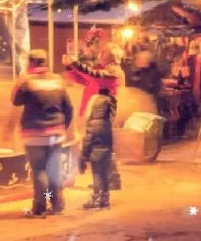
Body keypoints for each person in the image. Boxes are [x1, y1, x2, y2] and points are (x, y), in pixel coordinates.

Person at [11, 48, 73, 218]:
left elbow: (15, 100)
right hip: (56, 134)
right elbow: (69, 107)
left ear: (31, 62)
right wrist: (62, 126)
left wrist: (20, 80)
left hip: (34, 135)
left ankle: (39, 207)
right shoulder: (58, 81)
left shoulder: (28, 82)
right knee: (53, 169)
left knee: (39, 170)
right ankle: (57, 205)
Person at [63, 43, 124, 190]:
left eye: (103, 53)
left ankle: (109, 182)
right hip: (93, 112)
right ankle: (107, 181)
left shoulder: (113, 70)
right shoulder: (104, 69)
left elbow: (94, 76)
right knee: (100, 147)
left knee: (101, 148)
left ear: (111, 56)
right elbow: (83, 79)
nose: (99, 55)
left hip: (102, 113)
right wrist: (69, 67)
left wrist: (75, 64)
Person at [79, 87, 116, 210]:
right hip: (106, 152)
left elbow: (88, 141)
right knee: (104, 174)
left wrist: (83, 156)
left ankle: (96, 199)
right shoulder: (107, 123)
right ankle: (105, 199)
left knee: (97, 175)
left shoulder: (93, 123)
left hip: (95, 153)